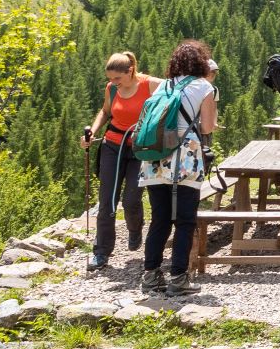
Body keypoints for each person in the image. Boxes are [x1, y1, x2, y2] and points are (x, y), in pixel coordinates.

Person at [139, 39, 217, 296]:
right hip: (185, 158)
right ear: (201, 62)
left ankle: (150, 276)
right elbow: (206, 128)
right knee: (184, 220)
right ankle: (178, 279)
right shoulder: (204, 86)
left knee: (159, 219)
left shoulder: (162, 86)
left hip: (154, 158)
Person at [80, 51, 155, 272]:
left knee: (132, 198)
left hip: (140, 148)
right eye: (111, 78)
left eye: (117, 78)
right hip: (112, 145)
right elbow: (104, 112)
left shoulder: (149, 85)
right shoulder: (112, 89)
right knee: (107, 201)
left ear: (130, 71)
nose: (113, 83)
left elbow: (174, 88)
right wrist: (92, 132)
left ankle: (135, 228)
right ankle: (101, 252)